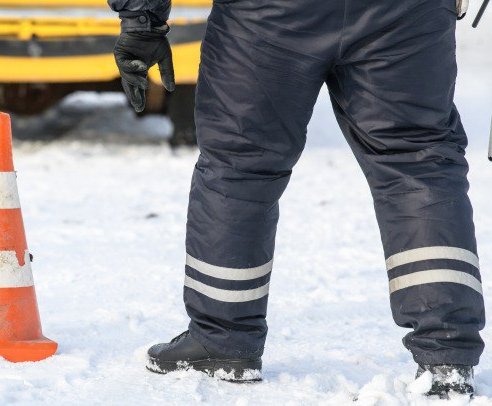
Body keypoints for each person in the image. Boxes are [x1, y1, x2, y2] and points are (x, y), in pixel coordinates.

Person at [108, 0, 486, 398]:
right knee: (416, 161)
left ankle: (223, 340)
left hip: (269, 14)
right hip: (406, 12)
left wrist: (142, 19)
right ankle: (446, 356)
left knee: (241, 163)